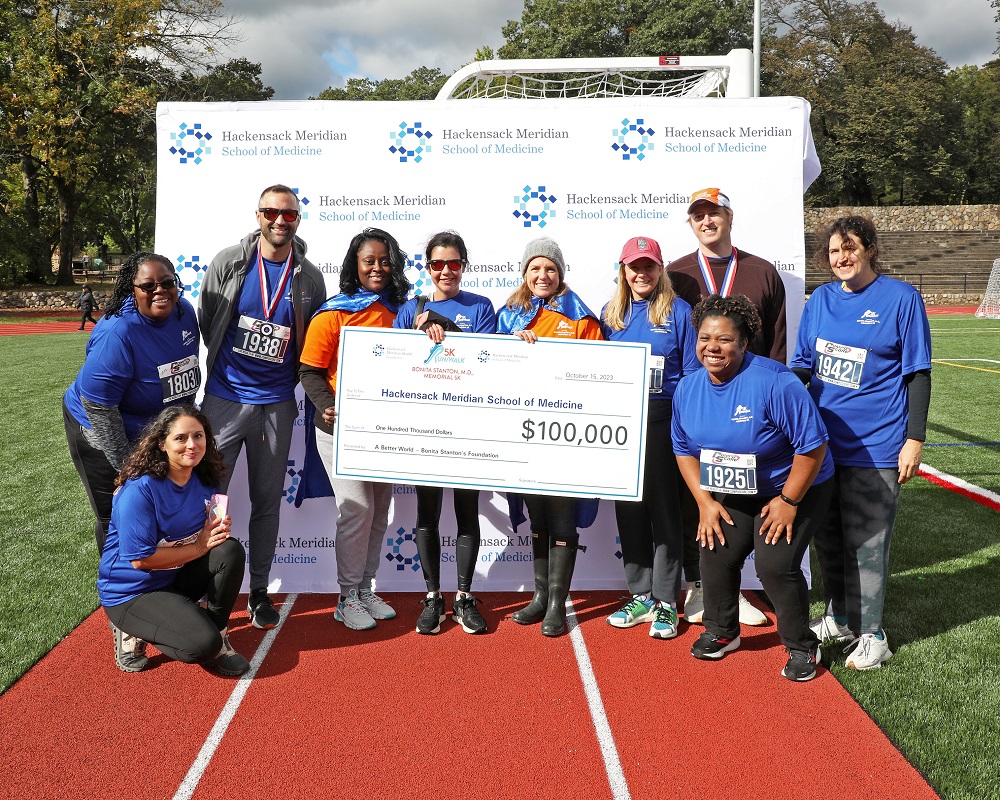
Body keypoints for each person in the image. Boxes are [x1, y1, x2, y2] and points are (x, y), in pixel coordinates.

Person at [791, 215, 932, 670]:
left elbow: (917, 374)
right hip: (823, 446)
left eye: (849, 247)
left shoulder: (902, 298)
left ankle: (872, 634)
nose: (841, 257)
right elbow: (803, 365)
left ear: (870, 249)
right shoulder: (820, 300)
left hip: (877, 445)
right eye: (834, 251)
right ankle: (839, 617)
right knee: (828, 539)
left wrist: (914, 439)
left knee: (868, 544)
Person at [672, 295, 834, 681]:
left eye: (725, 339)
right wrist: (705, 502)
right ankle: (722, 631)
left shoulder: (776, 382)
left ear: (744, 344)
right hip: (740, 490)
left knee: (774, 565)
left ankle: (802, 645)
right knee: (714, 548)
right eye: (705, 338)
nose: (712, 347)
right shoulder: (688, 388)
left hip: (797, 485)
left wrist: (788, 500)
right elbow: (683, 450)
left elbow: (812, 447)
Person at [198, 184, 325, 631]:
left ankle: (258, 591)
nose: (279, 220)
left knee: (267, 502)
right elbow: (208, 318)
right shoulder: (229, 262)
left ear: (297, 220)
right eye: (271, 212)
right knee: (212, 498)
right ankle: (208, 589)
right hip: (224, 399)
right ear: (258, 216)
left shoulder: (309, 277)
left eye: (288, 214)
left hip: (277, 404)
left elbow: (313, 337)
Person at [667, 187, 789, 627]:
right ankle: (704, 587)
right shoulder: (675, 274)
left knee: (742, 497)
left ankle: (738, 589)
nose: (706, 221)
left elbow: (777, 346)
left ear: (729, 217)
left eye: (714, 213)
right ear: (691, 222)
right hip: (701, 404)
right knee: (700, 500)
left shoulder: (762, 272)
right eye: (698, 215)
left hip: (751, 410)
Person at [298, 228, 411, 630]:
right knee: (356, 511)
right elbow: (309, 371)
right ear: (355, 266)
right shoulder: (334, 313)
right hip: (342, 430)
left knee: (378, 512)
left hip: (386, 430)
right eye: (369, 261)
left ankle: (365, 588)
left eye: (384, 261)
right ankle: (346, 597)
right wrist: (327, 406)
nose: (377, 268)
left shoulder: (404, 311)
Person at [496, 237, 604, 637]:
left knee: (561, 518)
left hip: (565, 438)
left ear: (561, 274)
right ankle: (541, 596)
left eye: (550, 269)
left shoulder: (581, 319)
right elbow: (488, 367)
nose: (543, 276)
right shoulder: (509, 316)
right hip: (523, 436)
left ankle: (558, 603)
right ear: (524, 273)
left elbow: (600, 374)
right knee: (538, 517)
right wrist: (512, 349)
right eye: (535, 268)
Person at [393, 231, 497, 635]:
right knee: (427, 515)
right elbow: (393, 363)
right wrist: (416, 334)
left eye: (454, 263)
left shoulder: (481, 306)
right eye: (438, 264)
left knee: (467, 512)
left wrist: (445, 327)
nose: (446, 271)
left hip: (468, 427)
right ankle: (433, 597)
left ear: (464, 266)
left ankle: (464, 597)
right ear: (428, 267)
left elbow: (486, 361)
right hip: (425, 428)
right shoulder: (411, 309)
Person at [98, 404, 250, 676]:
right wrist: (200, 545)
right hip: (132, 592)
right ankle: (131, 628)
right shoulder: (139, 491)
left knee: (229, 551)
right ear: (162, 443)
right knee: (201, 645)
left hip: (173, 577)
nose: (192, 445)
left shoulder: (205, 478)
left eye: (198, 436)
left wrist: (214, 530)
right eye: (180, 438)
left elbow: (204, 534)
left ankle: (219, 634)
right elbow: (141, 560)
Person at [64, 252, 201, 551]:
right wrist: (129, 468)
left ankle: (160, 572)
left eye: (167, 283)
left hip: (155, 428)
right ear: (132, 289)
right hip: (101, 427)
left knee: (159, 507)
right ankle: (118, 578)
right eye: (148, 286)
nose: (160, 291)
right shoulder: (118, 332)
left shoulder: (185, 312)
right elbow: (99, 406)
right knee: (118, 511)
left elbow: (185, 372)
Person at [600, 236, 699, 639]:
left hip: (663, 423)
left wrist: (685, 429)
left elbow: (692, 376)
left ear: (660, 269)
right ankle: (640, 594)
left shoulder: (680, 311)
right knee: (630, 512)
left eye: (648, 266)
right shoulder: (610, 314)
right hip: (623, 427)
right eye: (634, 267)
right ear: (623, 270)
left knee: (665, 513)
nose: (641, 273)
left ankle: (666, 601)